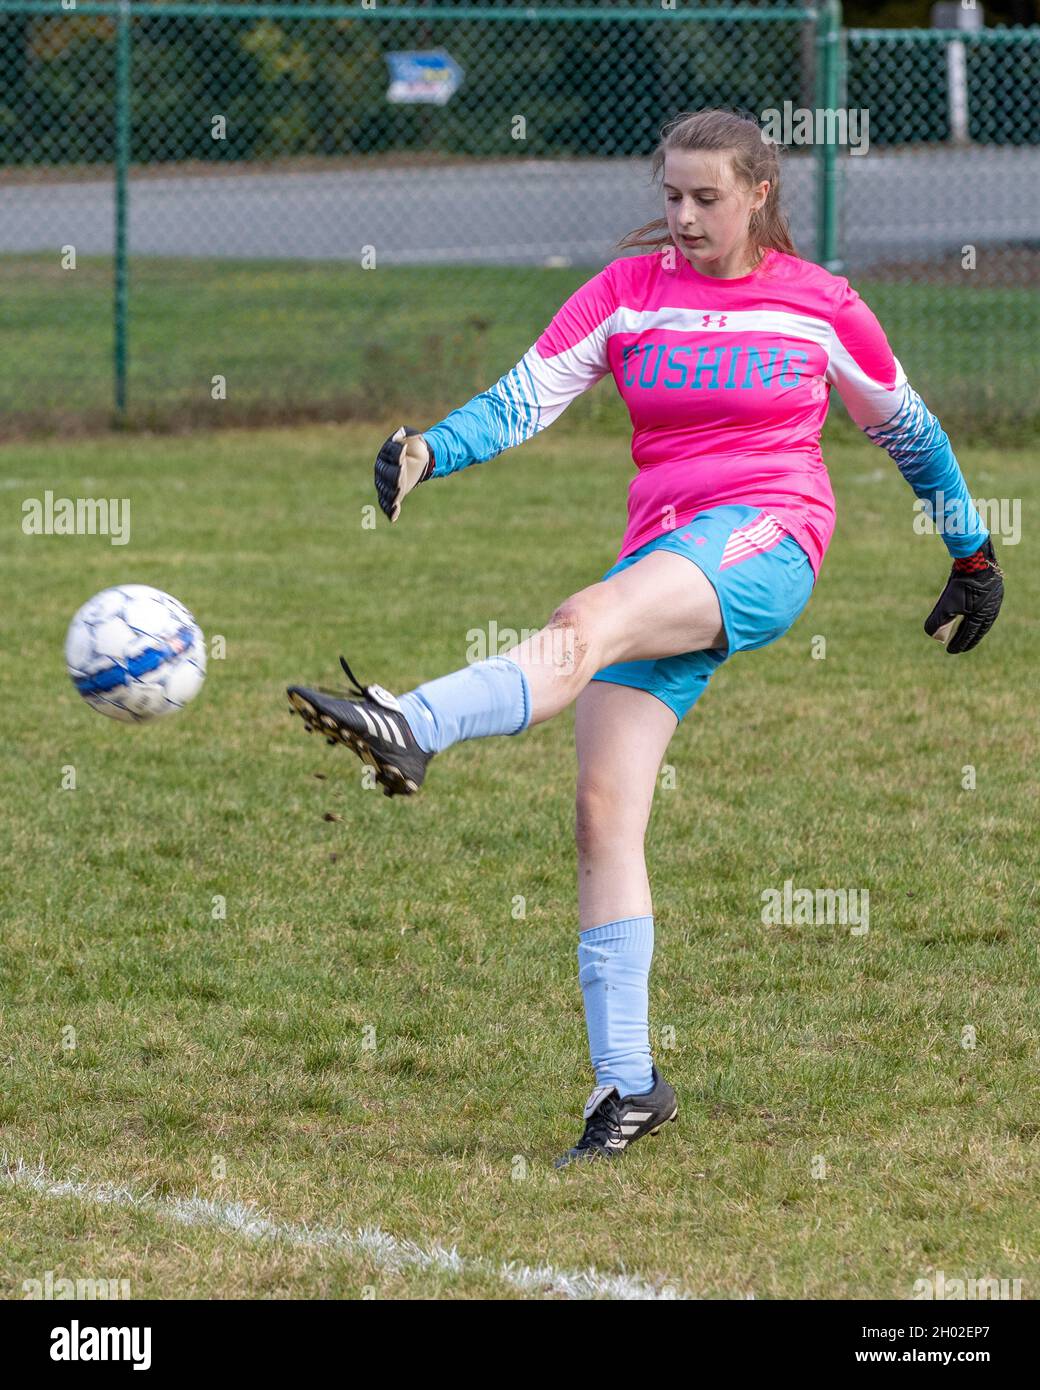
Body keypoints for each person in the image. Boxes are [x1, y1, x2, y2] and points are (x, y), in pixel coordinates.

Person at [287, 108, 1004, 1169]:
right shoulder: (626, 294)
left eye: (703, 198)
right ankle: (628, 1083)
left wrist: (972, 552)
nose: (679, 216)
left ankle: (413, 718)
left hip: (768, 537)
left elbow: (907, 427)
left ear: (758, 192)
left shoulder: (818, 306)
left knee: (583, 620)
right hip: (663, 555)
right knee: (600, 811)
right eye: (667, 195)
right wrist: (431, 450)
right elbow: (528, 394)